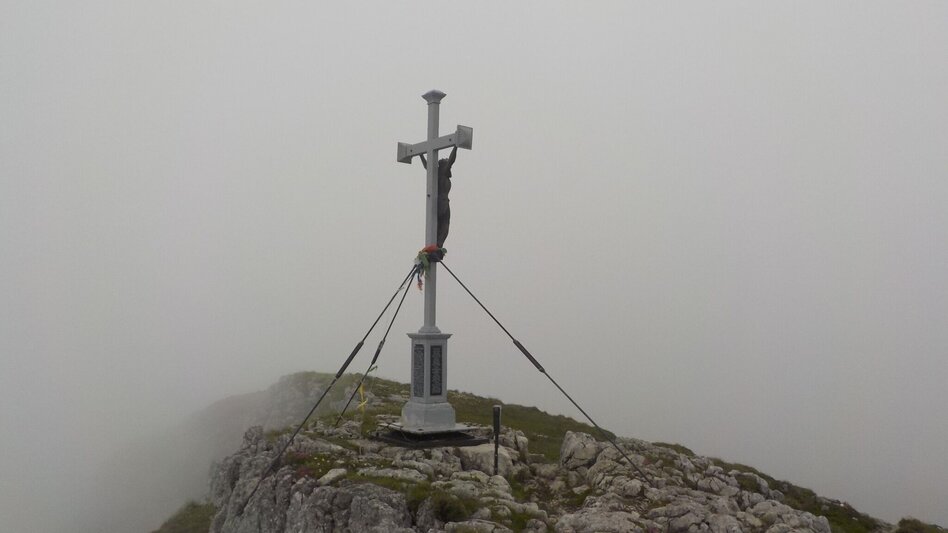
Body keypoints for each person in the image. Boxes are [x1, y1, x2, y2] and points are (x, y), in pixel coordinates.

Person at [419, 145, 457, 247]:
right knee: (444, 225)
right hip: (442, 202)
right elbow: (451, 160)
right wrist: (456, 146)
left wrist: (421, 154)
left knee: (442, 226)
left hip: (442, 202)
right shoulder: (443, 173)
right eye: (447, 163)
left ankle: (437, 245)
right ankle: (438, 245)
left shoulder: (437, 175)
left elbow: (427, 166)